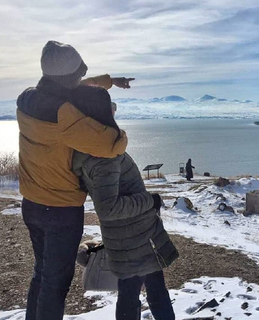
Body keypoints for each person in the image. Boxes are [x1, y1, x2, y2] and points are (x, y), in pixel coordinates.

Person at [16, 40, 133, 320]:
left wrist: (108, 81)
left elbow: (73, 87)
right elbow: (111, 144)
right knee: (55, 285)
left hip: (31, 202)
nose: (81, 77)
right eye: (77, 74)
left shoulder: (28, 98)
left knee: (41, 274)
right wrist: (119, 127)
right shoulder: (65, 114)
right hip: (60, 209)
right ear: (69, 78)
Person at [72, 99, 178, 320]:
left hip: (128, 237)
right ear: (100, 116)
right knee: (146, 293)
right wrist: (149, 201)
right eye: (110, 109)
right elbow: (108, 208)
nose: (114, 112)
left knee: (136, 291)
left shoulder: (92, 148)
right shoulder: (104, 157)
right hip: (135, 238)